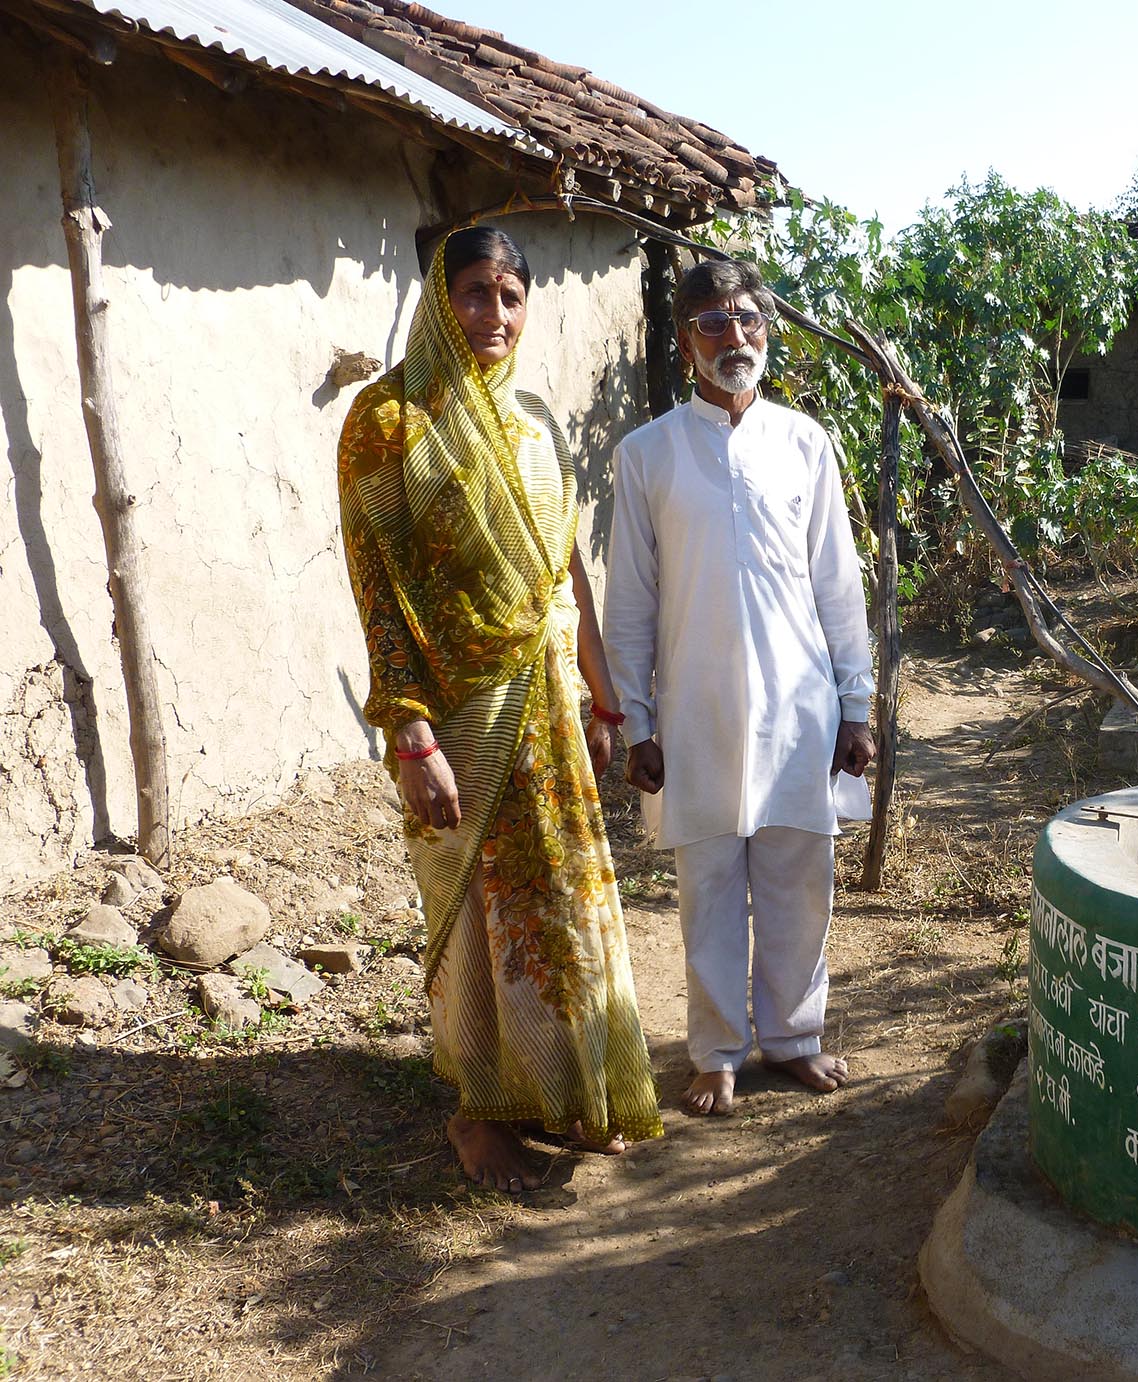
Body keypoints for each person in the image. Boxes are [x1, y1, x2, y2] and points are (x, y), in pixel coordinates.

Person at [337, 226, 663, 1191]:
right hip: (455, 711)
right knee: (476, 916)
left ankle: (565, 1092)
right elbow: (378, 591)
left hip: (548, 700)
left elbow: (567, 576)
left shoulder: (532, 421)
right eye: (475, 293)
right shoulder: (387, 422)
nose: (495, 314)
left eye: (512, 296)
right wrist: (409, 733)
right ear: (440, 300)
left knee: (559, 906)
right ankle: (480, 1116)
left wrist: (607, 705)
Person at [604, 258, 875, 1116]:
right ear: (685, 342)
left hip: (802, 709)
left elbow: (838, 582)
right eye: (713, 325)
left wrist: (857, 705)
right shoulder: (645, 455)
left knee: (801, 880)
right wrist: (637, 720)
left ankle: (794, 1038)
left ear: (768, 330)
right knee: (710, 886)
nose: (735, 339)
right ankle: (716, 1050)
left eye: (748, 321)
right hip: (698, 712)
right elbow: (631, 600)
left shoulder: (805, 444)